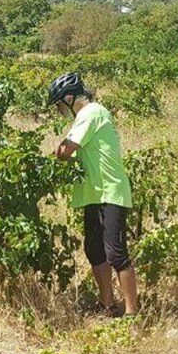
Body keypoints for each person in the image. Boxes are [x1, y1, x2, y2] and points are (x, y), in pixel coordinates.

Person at [49, 72, 139, 317]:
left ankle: (131, 314)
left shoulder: (91, 112)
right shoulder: (85, 117)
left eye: (59, 103)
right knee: (95, 250)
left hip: (110, 192)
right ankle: (107, 305)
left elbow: (65, 151)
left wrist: (58, 149)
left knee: (116, 253)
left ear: (69, 98)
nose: (59, 110)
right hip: (93, 194)